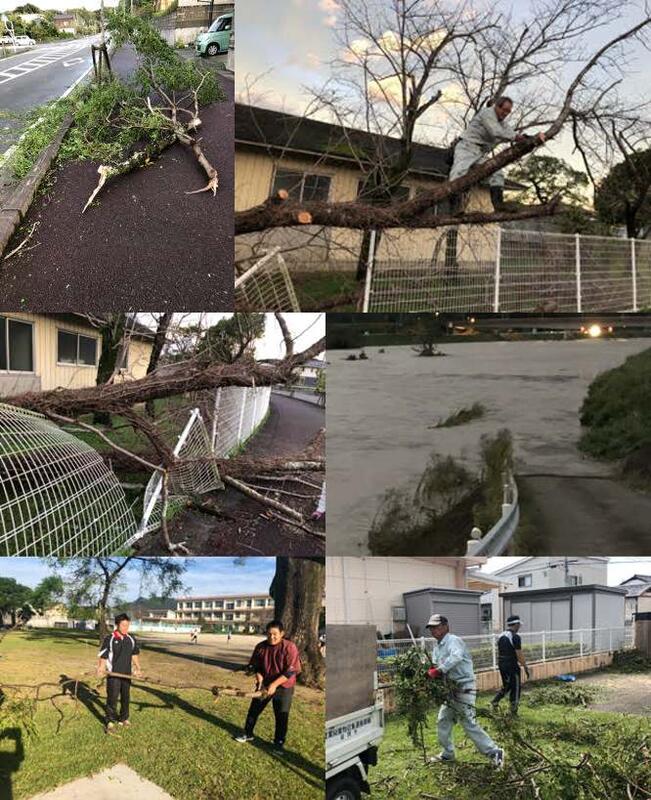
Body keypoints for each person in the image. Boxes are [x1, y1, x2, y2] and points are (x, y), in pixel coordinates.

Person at [426, 614, 504, 768]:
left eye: (436, 627)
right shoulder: (437, 647)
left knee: (468, 722)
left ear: (446, 627)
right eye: (431, 628)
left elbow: (456, 657)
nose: (433, 630)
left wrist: (439, 670)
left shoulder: (454, 641)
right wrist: (431, 671)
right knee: (443, 720)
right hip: (450, 690)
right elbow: (435, 666)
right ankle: (448, 754)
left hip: (463, 687)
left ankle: (495, 752)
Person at [448, 96, 546, 210]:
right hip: (466, 148)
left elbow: (511, 132)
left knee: (497, 172)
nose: (505, 113)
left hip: (479, 153)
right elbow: (496, 132)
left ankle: (498, 205)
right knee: (459, 172)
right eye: (504, 110)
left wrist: (529, 138)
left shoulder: (502, 123)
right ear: (496, 107)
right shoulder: (487, 113)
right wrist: (516, 137)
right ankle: (454, 207)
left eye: (508, 112)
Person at [234, 620, 301, 754]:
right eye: (269, 634)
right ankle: (248, 733)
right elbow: (255, 666)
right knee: (254, 710)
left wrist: (275, 685)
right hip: (265, 684)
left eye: (275, 634)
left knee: (281, 715)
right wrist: (259, 680)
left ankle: (278, 743)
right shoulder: (260, 647)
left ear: (282, 633)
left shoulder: (289, 647)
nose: (272, 637)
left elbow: (290, 671)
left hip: (284, 686)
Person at [97, 613, 142, 735]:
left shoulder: (131, 639)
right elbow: (104, 655)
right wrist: (101, 667)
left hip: (127, 674)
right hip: (113, 674)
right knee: (112, 697)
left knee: (126, 697)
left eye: (127, 625)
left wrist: (138, 668)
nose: (125, 628)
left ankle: (124, 718)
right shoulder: (110, 638)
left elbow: (134, 654)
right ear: (117, 625)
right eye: (123, 625)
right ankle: (110, 721)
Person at [491, 615, 530, 716]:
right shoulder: (515, 637)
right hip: (511, 665)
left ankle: (495, 701)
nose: (519, 627)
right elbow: (519, 654)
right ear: (516, 624)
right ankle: (513, 711)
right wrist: (525, 667)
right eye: (519, 625)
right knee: (516, 687)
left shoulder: (500, 636)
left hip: (501, 663)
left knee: (507, 685)